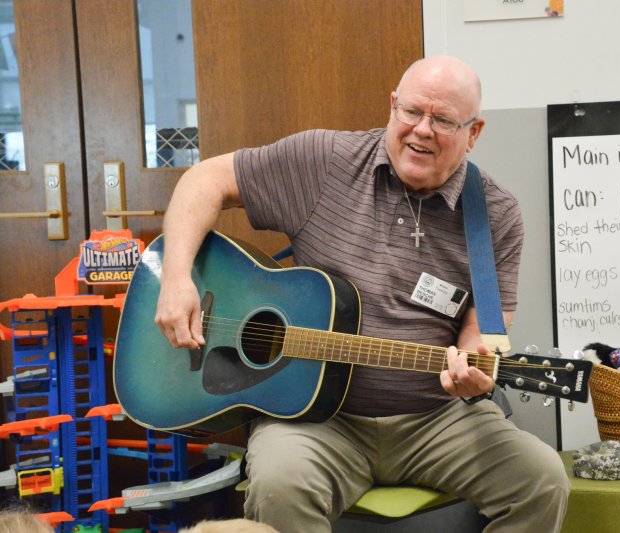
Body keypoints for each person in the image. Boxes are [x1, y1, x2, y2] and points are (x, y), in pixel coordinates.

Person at [155, 55, 570, 532]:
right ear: (393, 105)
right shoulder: (324, 162)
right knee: (278, 486)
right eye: (411, 111)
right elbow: (204, 179)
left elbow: (485, 329)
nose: (422, 130)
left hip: (438, 419)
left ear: (473, 132)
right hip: (315, 420)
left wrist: (474, 368)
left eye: (443, 120)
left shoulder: (495, 213)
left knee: (542, 480)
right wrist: (176, 277)